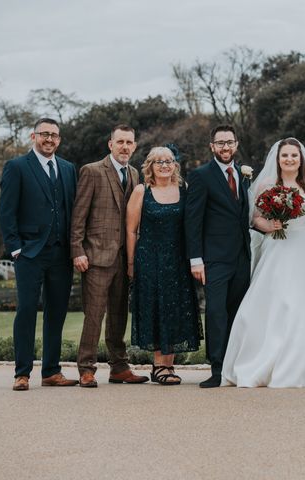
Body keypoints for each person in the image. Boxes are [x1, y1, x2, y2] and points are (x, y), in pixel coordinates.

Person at [222, 138, 305, 387]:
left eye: (294, 155)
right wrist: (268, 225)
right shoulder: (267, 184)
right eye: (285, 156)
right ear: (277, 159)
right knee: (275, 301)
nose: (289, 160)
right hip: (277, 248)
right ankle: (266, 359)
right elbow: (255, 218)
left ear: (301, 159)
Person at [0, 118, 78, 391]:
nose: (50, 139)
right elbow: (6, 212)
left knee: (56, 313)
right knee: (27, 311)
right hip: (29, 253)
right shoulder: (17, 167)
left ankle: (52, 371)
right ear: (33, 136)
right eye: (45, 134)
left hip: (61, 253)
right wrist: (16, 248)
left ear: (59, 139)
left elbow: (71, 210)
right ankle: (22, 373)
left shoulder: (68, 169)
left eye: (55, 135)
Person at [70, 125, 148, 388]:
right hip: (95, 255)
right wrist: (77, 250)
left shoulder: (135, 173)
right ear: (110, 144)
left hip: (124, 256)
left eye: (129, 142)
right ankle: (86, 368)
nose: (125, 146)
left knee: (119, 314)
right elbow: (78, 216)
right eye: (120, 142)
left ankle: (119, 367)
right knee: (94, 314)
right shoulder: (92, 171)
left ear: (135, 146)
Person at [126, 147, 202, 385]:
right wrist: (130, 263)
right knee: (157, 309)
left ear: (175, 165)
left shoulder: (184, 189)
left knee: (175, 310)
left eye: (168, 161)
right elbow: (131, 230)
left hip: (178, 260)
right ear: (150, 165)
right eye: (158, 162)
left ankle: (168, 365)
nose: (164, 165)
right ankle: (159, 366)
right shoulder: (142, 191)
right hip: (150, 259)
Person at [185, 125, 251, 388]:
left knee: (238, 313)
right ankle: (217, 368)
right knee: (215, 313)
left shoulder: (243, 175)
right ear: (212, 146)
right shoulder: (201, 176)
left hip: (242, 257)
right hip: (213, 258)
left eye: (229, 142)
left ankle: (235, 365)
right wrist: (195, 259)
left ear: (236, 144)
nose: (225, 147)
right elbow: (193, 221)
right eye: (220, 143)